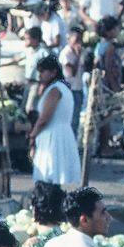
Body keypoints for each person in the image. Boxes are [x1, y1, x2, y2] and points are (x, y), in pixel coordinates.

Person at [25, 56, 81, 186]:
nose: (40, 75)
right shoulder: (63, 88)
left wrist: (33, 135)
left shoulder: (55, 90)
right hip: (62, 133)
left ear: (53, 72)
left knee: (49, 176)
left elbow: (45, 117)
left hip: (53, 136)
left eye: (43, 72)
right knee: (55, 178)